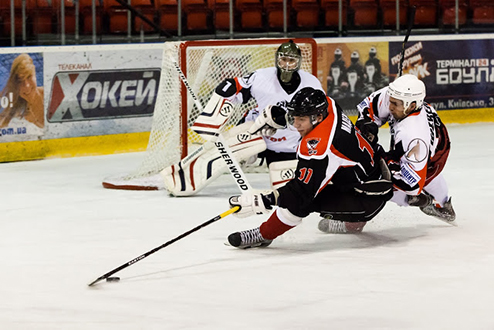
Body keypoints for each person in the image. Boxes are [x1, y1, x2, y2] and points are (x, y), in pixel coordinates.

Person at [226, 87, 393, 249]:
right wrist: (280, 118)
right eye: (294, 118)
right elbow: (305, 111)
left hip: (366, 199)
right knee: (318, 183)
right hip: (373, 173)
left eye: (301, 120)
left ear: (318, 117)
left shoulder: (320, 146)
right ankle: (353, 220)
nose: (296, 125)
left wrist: (263, 200)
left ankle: (263, 235)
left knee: (302, 202)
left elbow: (301, 192)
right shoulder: (329, 105)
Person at [162, 40, 324, 196]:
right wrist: (213, 116)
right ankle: (183, 179)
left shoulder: (312, 83)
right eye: (283, 60)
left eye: (291, 60)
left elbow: (320, 115)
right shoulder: (262, 77)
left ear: (299, 62)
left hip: (289, 146)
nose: (287, 65)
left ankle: (260, 161)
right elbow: (232, 86)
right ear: (277, 59)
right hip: (256, 133)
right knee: (224, 151)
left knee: (290, 194)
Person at [352, 74, 456, 226]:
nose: (390, 107)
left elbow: (412, 183)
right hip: (427, 147)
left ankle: (426, 201)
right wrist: (367, 122)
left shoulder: (414, 134)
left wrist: (385, 160)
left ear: (412, 106)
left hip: (433, 158)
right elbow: (370, 105)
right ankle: (444, 205)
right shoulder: (399, 97)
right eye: (391, 101)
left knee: (380, 185)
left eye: (395, 104)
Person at [0, 53, 44, 129]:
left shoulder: (49, 95)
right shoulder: (16, 109)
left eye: (29, 76)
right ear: (15, 85)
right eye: (20, 81)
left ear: (35, 74)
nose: (26, 85)